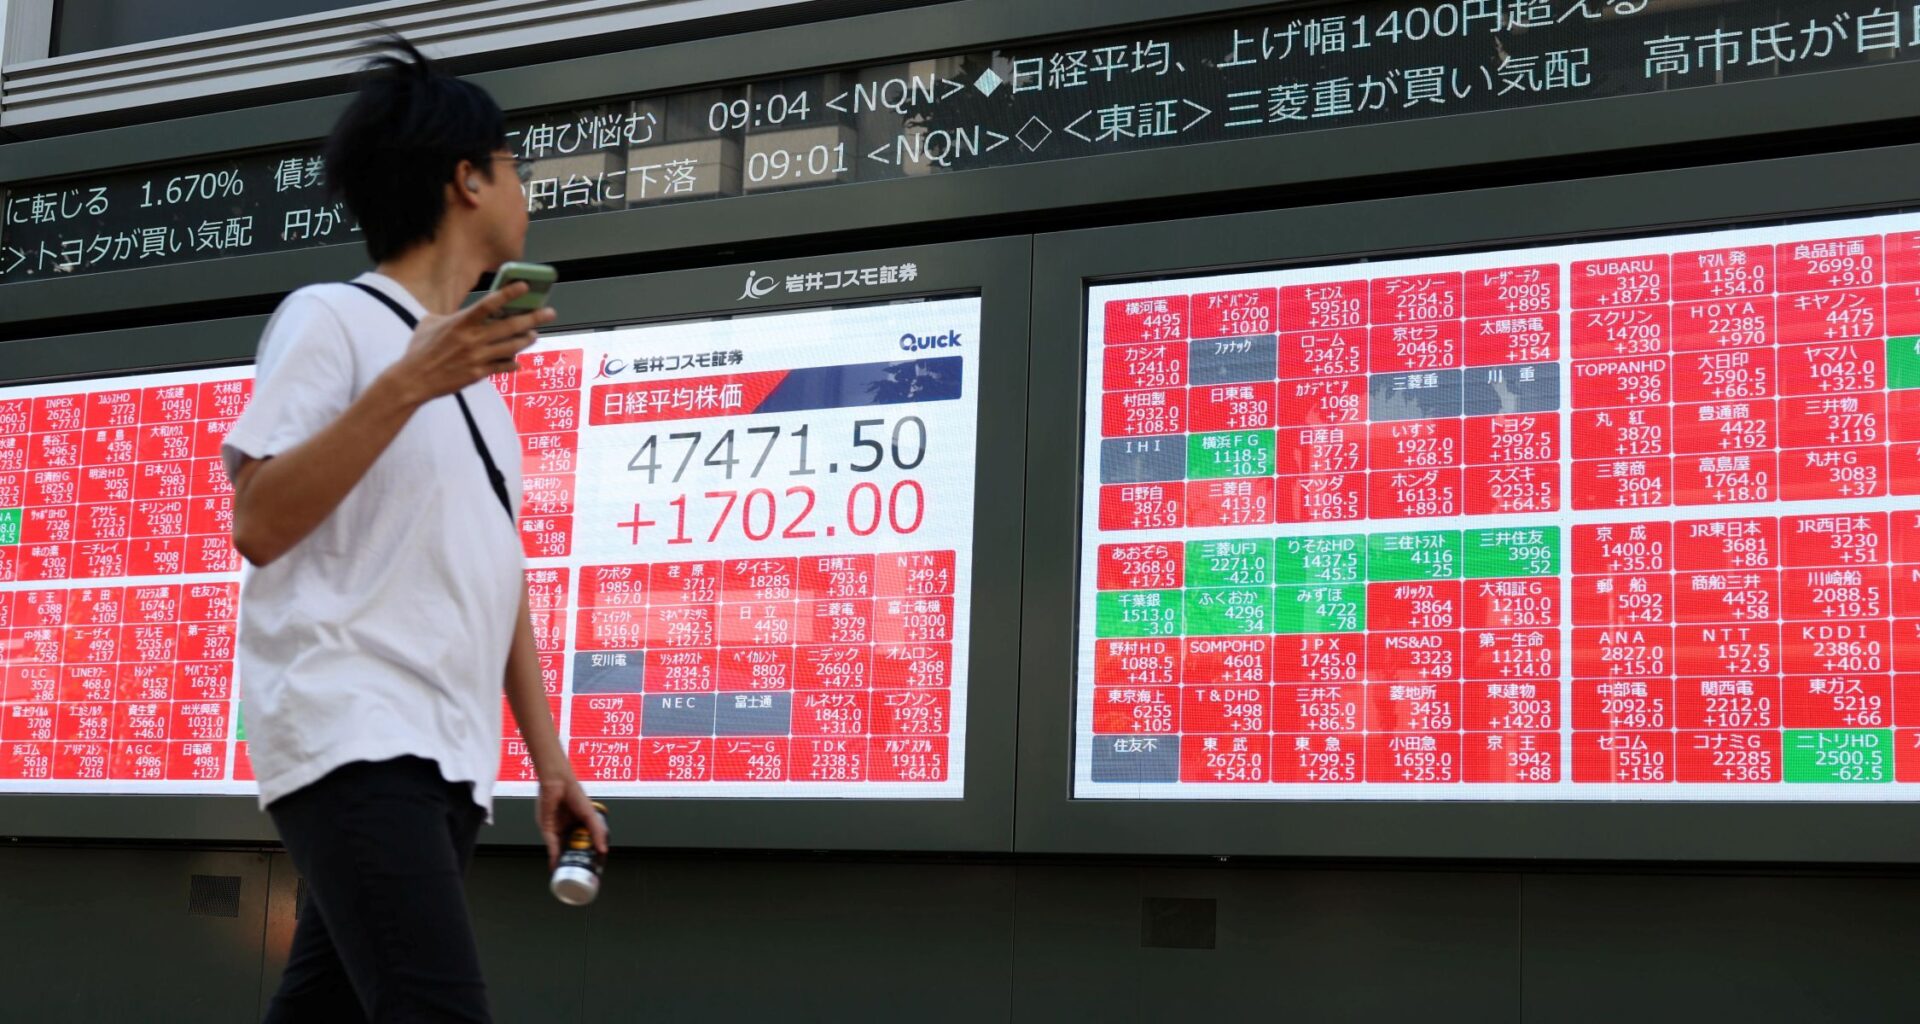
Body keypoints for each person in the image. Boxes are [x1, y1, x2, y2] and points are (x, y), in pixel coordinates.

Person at [222, 37, 608, 1023]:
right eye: (513, 164)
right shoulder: (333, 319)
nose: (526, 189)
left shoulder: (480, 393)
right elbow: (258, 519)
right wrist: (409, 381)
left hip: (446, 760)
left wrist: (551, 763)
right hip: (357, 734)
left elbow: (497, 579)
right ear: (467, 179)